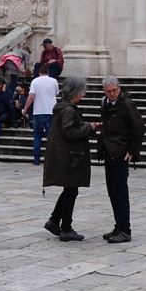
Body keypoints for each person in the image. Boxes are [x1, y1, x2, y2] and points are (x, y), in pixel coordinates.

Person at [43, 76, 97, 242]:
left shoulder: (64, 108)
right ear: (75, 92)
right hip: (67, 157)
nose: (83, 95)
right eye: (81, 91)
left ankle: (54, 221)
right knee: (71, 190)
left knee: (70, 190)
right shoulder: (68, 110)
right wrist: (89, 127)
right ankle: (66, 228)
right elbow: (68, 132)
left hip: (64, 156)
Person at [98, 77, 146, 244]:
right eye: (108, 91)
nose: (112, 94)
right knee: (112, 192)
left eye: (114, 91)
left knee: (120, 192)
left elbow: (139, 127)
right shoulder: (105, 103)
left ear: (119, 88)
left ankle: (125, 230)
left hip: (120, 152)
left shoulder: (127, 104)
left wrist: (132, 151)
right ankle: (118, 226)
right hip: (109, 151)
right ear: (104, 91)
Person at [26, 64, 59, 165]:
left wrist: (25, 108)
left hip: (38, 112)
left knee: (37, 136)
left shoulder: (35, 81)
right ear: (48, 73)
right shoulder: (54, 81)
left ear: (39, 73)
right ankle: (51, 159)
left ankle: (36, 159)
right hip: (51, 111)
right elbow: (56, 93)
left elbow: (31, 96)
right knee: (50, 137)